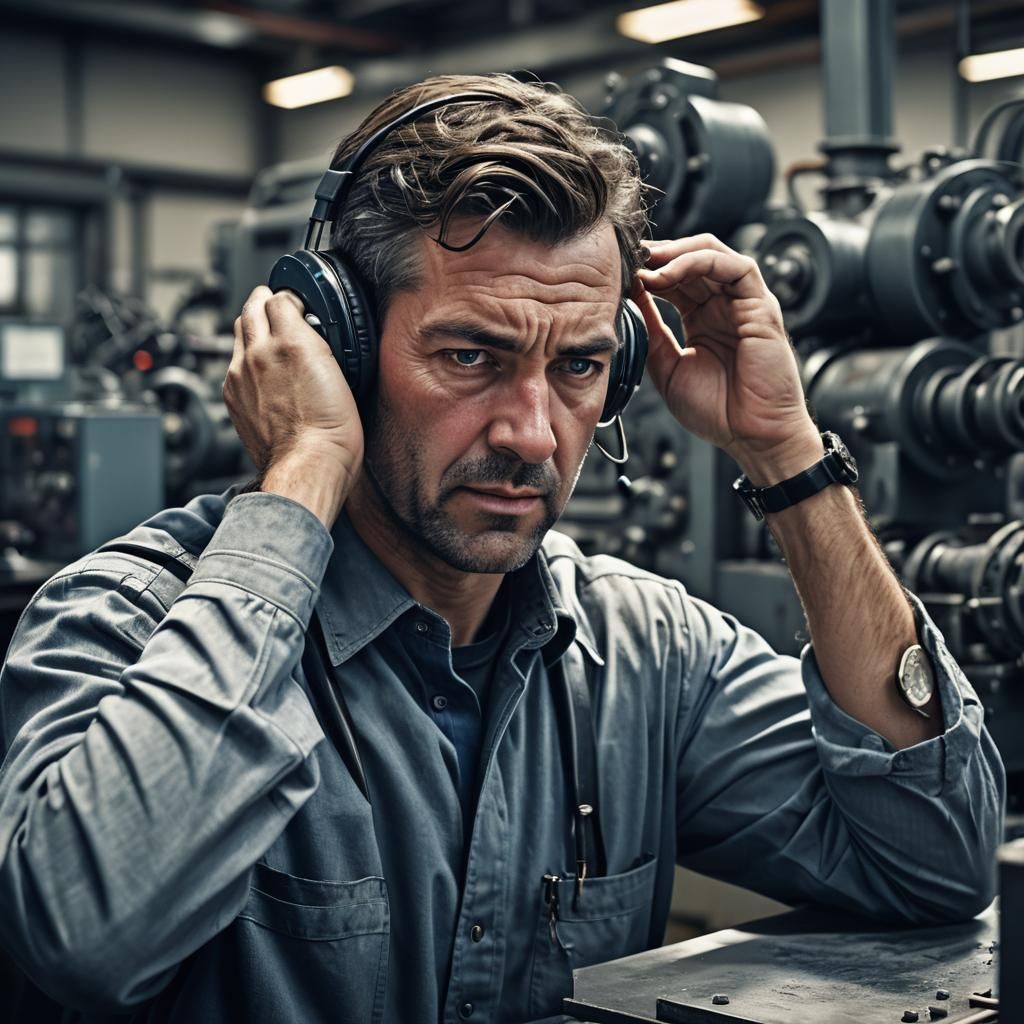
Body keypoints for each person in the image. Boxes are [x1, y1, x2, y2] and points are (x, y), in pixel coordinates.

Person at [0, 73, 1004, 1024]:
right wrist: (302, 466)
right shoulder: (129, 622)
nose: (531, 433)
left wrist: (784, 451)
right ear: (336, 342)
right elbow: (89, 939)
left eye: (576, 365)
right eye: (470, 354)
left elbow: (938, 860)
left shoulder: (643, 653)